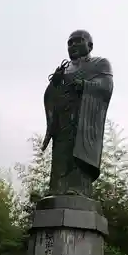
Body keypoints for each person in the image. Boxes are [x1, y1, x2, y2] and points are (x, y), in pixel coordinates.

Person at [42, 30, 113, 198]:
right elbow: (50, 95)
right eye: (70, 43)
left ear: (90, 45)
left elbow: (105, 86)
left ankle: (79, 188)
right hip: (63, 119)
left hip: (84, 120)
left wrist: (84, 85)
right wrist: (55, 82)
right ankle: (56, 188)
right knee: (60, 153)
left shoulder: (99, 63)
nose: (73, 45)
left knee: (78, 153)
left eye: (78, 41)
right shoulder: (64, 69)